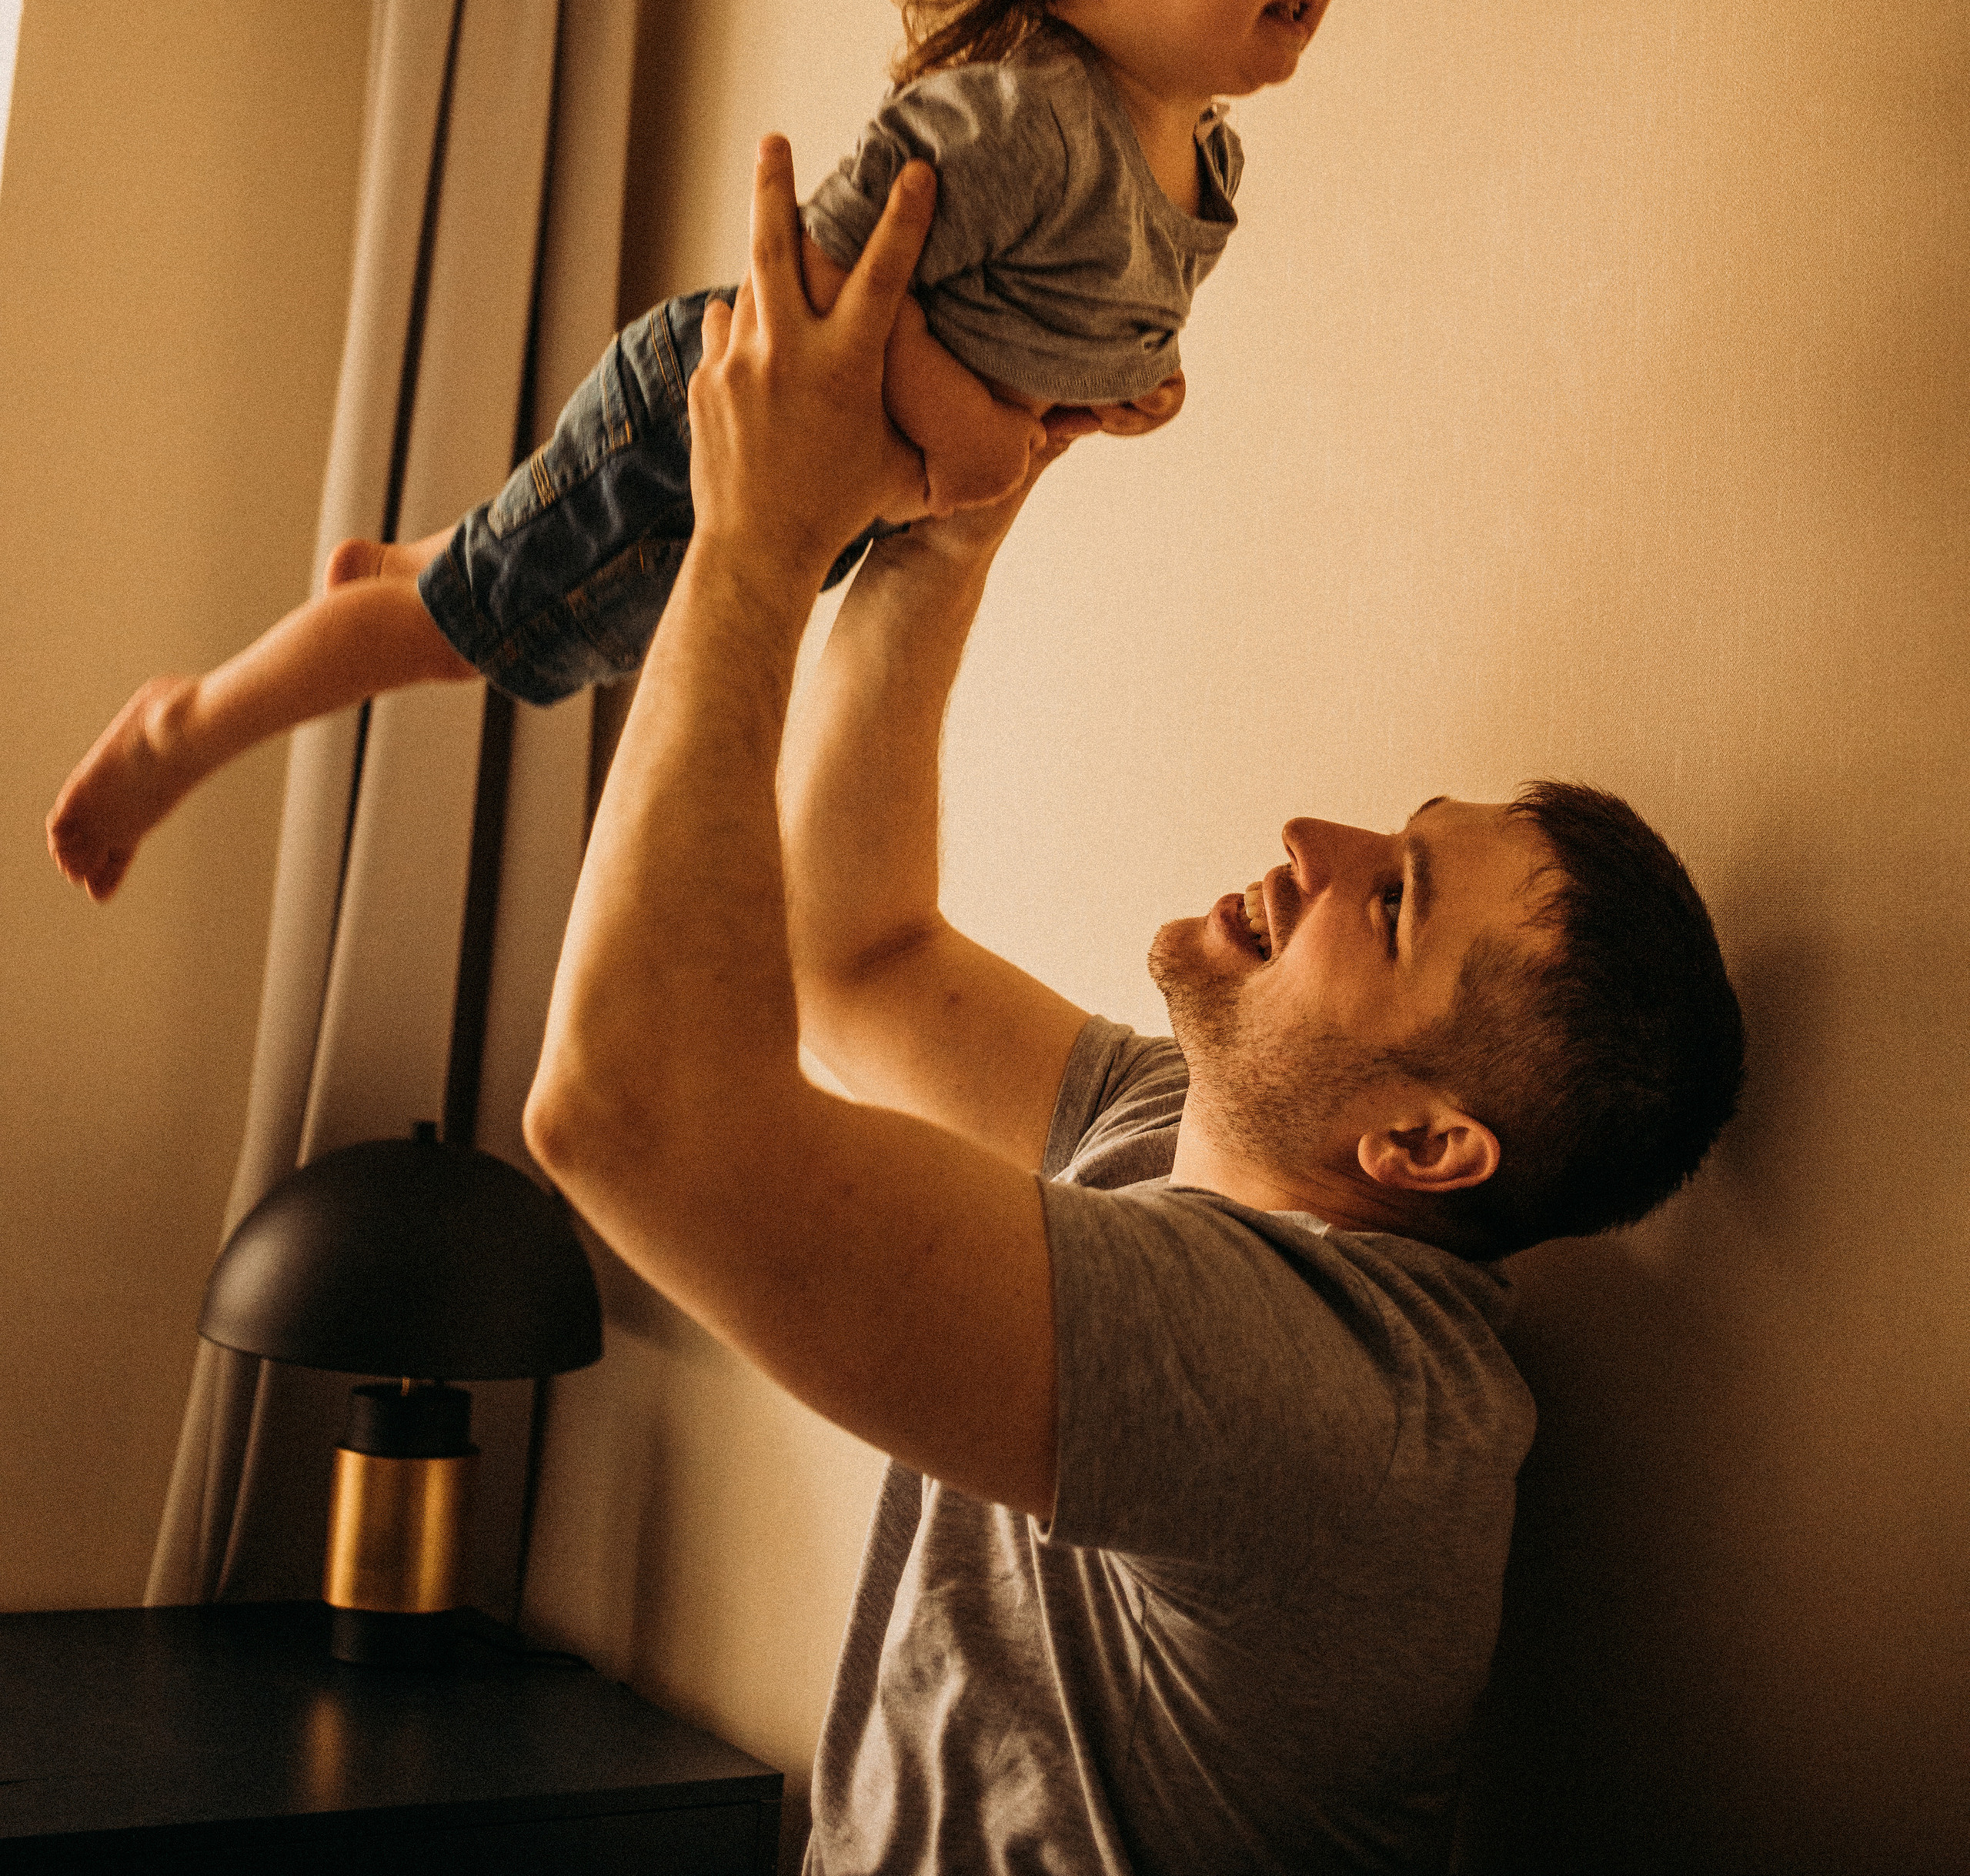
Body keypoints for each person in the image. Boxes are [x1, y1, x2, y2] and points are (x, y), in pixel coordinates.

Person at [525, 136, 1747, 1876]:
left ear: (1417, 1139)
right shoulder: (1189, 1140)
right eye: (1383, 834)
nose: (1311, 840)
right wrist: (977, 489)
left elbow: (628, 1112)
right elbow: (857, 958)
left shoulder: (1326, 1397)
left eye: (1385, 899)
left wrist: (756, 539)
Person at [46, 0, 1374, 902]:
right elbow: (813, 265)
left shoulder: (1198, 159)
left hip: (824, 494)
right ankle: (185, 724)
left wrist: (1133, 377)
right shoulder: (1028, 119)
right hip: (714, 414)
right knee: (466, 640)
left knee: (531, 611)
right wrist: (961, 412)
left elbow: (1071, 311)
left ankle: (416, 557)